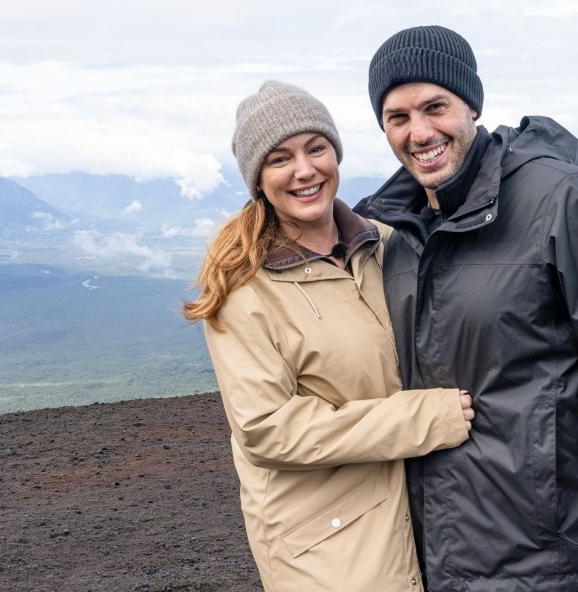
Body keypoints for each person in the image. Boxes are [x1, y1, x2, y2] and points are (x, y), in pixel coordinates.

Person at [354, 26, 578, 592]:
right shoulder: (392, 231)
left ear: (471, 104)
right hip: (425, 560)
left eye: (434, 107)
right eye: (397, 117)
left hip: (549, 562)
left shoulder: (566, 199)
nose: (419, 132)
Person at [183, 80, 474, 592]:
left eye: (316, 148)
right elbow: (268, 429)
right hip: (324, 550)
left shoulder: (385, 245)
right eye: (279, 158)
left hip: (411, 523)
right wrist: (426, 417)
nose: (304, 170)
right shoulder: (243, 285)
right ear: (257, 178)